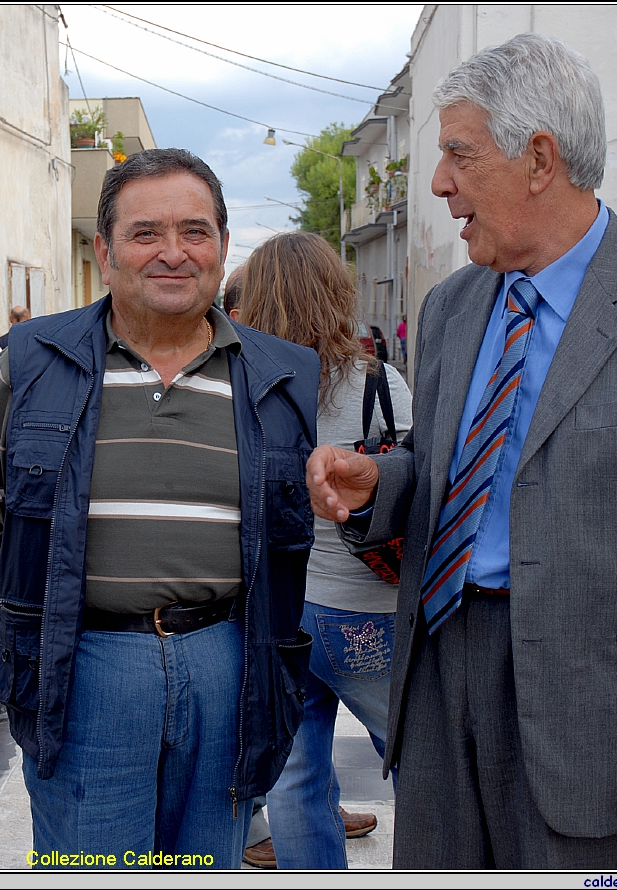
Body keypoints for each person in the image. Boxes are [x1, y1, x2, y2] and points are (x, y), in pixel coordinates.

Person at [307, 34, 617, 870]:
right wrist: (382, 482)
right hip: (441, 678)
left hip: (599, 718)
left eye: (457, 154)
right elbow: (461, 474)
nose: (440, 183)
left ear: (540, 158)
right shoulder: (449, 307)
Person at [0, 148, 319, 868]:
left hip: (230, 664)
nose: (173, 254)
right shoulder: (30, 360)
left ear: (221, 244)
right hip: (84, 663)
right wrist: (76, 597)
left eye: (195, 231)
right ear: (106, 249)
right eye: (146, 233)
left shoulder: (284, 374)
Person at [240, 232, 411, 870]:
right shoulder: (378, 384)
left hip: (280, 608)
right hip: (367, 606)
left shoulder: (242, 387)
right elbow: (419, 482)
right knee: (416, 758)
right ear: (337, 295)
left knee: (295, 774)